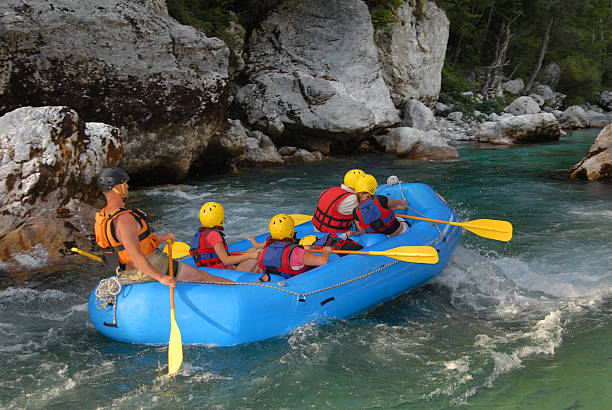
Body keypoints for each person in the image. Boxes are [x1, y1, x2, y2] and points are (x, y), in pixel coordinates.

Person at [94, 167, 233, 287]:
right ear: (118, 187)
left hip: (125, 271)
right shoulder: (125, 218)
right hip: (148, 267)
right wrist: (161, 277)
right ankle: (239, 289)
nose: (128, 187)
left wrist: (159, 239)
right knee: (203, 276)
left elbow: (123, 244)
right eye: (125, 183)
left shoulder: (103, 216)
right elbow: (135, 255)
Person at [257, 214, 331, 282]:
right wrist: (326, 251)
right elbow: (323, 261)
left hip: (273, 282)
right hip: (295, 285)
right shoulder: (296, 252)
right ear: (291, 231)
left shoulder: (266, 249)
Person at [189, 202, 261, 272]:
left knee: (255, 248)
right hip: (222, 272)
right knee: (260, 254)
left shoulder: (201, 232)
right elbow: (226, 261)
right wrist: (249, 256)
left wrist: (250, 254)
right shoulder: (214, 235)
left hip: (210, 268)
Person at [312, 169, 365, 233]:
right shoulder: (353, 199)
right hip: (333, 236)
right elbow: (367, 213)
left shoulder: (330, 190)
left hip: (316, 229)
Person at [298, 232, 363, 253]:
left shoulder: (316, 250)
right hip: (355, 246)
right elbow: (348, 233)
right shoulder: (331, 239)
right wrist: (359, 232)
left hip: (347, 253)